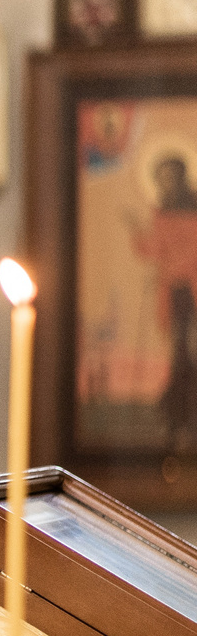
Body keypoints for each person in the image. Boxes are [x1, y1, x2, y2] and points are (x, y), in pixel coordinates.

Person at [134, 153, 197, 446]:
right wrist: (136, 232)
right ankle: (178, 417)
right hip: (175, 295)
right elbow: (154, 249)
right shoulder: (161, 211)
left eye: (172, 175)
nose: (167, 182)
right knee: (180, 354)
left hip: (193, 288)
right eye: (163, 177)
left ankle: (182, 417)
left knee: (189, 354)